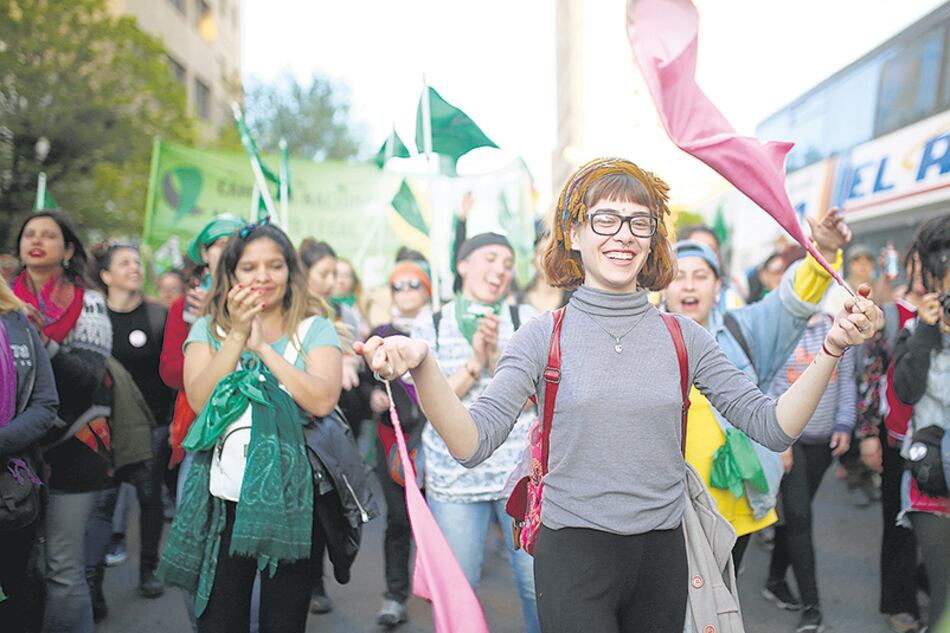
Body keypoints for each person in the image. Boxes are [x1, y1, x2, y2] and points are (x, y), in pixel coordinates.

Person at [355, 157, 882, 633]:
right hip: (573, 555)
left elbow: (772, 425)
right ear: (574, 233)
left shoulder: (684, 337)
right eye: (604, 219)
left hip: (663, 554)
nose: (623, 234)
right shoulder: (542, 335)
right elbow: (472, 443)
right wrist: (423, 366)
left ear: (652, 238)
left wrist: (832, 347)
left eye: (639, 222)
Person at [158, 221, 343, 633]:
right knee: (220, 619)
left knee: (283, 621)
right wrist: (238, 335)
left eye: (274, 265)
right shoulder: (208, 328)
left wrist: (263, 349)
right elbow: (202, 400)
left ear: (290, 272)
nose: (263, 276)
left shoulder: (314, 327)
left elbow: (322, 398)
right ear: (231, 275)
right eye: (249, 267)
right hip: (222, 498)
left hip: (293, 500)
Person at [664, 216, 845, 577]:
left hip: (735, 507)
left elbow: (792, 302)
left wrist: (822, 251)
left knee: (721, 598)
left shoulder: (741, 328)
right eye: (678, 276)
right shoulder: (643, 338)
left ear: (718, 286)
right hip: (668, 508)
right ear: (662, 287)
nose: (689, 285)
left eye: (701, 276)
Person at [405, 230, 541, 633]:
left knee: (538, 586)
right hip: (454, 478)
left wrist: (500, 359)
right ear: (463, 264)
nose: (499, 269)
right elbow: (429, 405)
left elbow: (539, 399)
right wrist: (474, 362)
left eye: (506, 262)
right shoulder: (429, 322)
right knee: (459, 587)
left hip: (519, 477)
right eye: (489, 258)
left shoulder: (526, 318)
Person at [13, 210, 114, 633]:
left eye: (49, 235)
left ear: (68, 249)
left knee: (62, 567)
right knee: (19, 568)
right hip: (14, 450)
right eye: (29, 234)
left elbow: (88, 377)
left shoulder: (88, 301)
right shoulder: (4, 297)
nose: (36, 241)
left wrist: (39, 339)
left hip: (75, 444)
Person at [159, 214, 245, 632]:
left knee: (253, 554)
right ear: (204, 255)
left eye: (236, 240)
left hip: (257, 445)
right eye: (218, 242)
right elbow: (173, 374)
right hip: (200, 440)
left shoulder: (267, 300)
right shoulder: (185, 307)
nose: (227, 247)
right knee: (195, 548)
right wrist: (203, 331)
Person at [91, 242, 174, 600]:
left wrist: (169, 422)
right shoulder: (93, 318)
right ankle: (91, 582)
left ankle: (148, 570)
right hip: (102, 428)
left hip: (151, 425)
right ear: (106, 275)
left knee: (148, 496)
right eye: (124, 263)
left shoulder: (157, 316)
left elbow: (169, 372)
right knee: (102, 502)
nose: (134, 268)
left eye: (137, 263)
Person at [765, 312, 857, 632]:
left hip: (822, 441)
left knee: (794, 514)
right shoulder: (780, 328)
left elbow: (846, 380)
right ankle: (812, 606)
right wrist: (780, 440)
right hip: (792, 439)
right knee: (801, 517)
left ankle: (775, 578)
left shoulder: (837, 326)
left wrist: (845, 423)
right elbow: (770, 383)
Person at [855, 247, 929, 633]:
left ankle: (925, 583)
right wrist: (869, 435)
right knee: (899, 525)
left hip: (939, 440)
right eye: (916, 266)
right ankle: (898, 603)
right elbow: (870, 376)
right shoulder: (892, 315)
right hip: (898, 439)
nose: (923, 274)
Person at [298, 237, 368, 613]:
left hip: (336, 422)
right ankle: (313, 582)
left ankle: (334, 563)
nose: (331, 281)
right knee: (311, 510)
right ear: (302, 273)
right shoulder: (292, 314)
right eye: (324, 273)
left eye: (336, 273)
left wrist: (350, 360)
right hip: (303, 423)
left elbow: (353, 355)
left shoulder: (342, 313)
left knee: (333, 503)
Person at [365, 260, 433, 628]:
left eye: (414, 284)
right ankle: (394, 595)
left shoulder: (439, 330)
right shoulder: (380, 333)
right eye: (398, 286)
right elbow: (359, 387)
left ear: (428, 290)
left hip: (437, 443)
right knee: (399, 521)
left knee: (439, 520)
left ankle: (436, 583)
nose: (406, 291)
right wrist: (372, 397)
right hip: (392, 444)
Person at [891, 216, 950, 631]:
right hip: (931, 476)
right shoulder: (915, 328)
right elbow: (906, 393)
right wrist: (929, 332)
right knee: (944, 589)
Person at [0, 280, 58, 633]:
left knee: (16, 592)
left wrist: (2, 440)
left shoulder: (19, 328)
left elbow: (45, 404)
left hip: (10, 494)